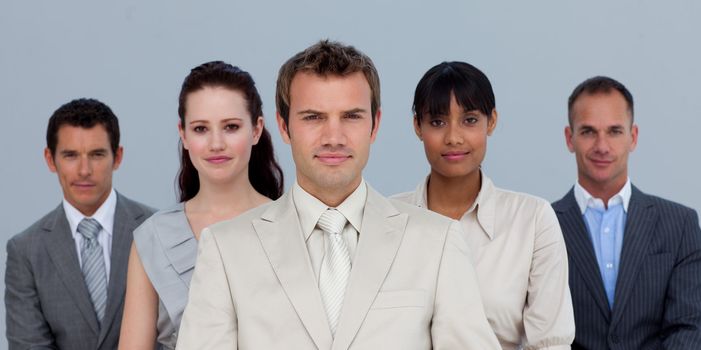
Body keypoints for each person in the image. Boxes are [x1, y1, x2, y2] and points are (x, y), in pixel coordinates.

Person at [175, 40, 500, 350]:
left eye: (351, 116)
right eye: (313, 117)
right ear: (284, 127)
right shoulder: (225, 248)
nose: (333, 137)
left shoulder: (437, 242)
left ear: (374, 125)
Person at [393, 61, 575, 349]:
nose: (453, 137)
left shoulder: (533, 220)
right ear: (417, 126)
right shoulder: (386, 220)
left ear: (492, 121)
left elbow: (551, 344)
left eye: (470, 120)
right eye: (437, 122)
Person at [118, 61, 284, 350]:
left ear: (256, 129)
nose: (216, 143)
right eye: (200, 129)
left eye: (231, 127)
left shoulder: (293, 226)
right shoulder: (153, 238)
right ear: (183, 134)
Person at [553, 76, 701, 349]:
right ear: (569, 138)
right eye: (588, 131)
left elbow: (689, 326)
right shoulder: (542, 225)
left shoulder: (680, 224)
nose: (602, 146)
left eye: (614, 131)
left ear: (632, 137)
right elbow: (541, 332)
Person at [5, 98, 154, 350]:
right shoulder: (26, 251)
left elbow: (178, 334)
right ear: (50, 160)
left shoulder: (155, 230)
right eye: (70, 155)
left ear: (117, 157)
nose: (84, 170)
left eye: (97, 155)